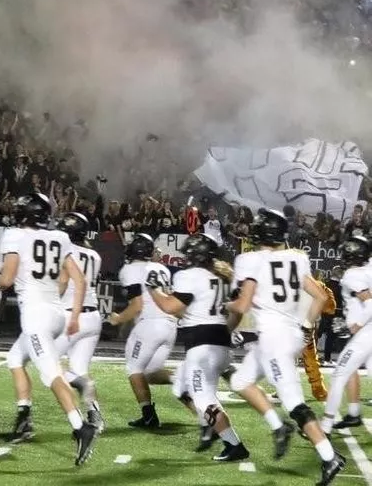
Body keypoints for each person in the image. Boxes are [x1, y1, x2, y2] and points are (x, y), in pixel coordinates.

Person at [226, 208, 345, 486]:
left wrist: (225, 305)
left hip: (274, 339)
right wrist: (305, 326)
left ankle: (329, 457)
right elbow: (318, 297)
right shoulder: (297, 257)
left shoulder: (250, 260)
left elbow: (242, 305)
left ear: (261, 231)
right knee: (241, 381)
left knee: (293, 401)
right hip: (289, 333)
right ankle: (279, 428)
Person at [0, 193, 98, 466]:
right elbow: (79, 279)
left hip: (35, 315)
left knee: (50, 374)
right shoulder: (61, 238)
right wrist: (75, 314)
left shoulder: (14, 236)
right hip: (56, 312)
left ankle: (81, 427)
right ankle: (23, 418)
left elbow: (7, 278)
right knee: (15, 358)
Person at [146, 233, 249, 462]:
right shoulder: (223, 275)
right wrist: (225, 331)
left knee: (203, 399)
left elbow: (170, 306)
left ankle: (233, 444)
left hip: (201, 347)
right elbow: (238, 311)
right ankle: (208, 428)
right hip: (219, 343)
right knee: (180, 387)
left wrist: (153, 289)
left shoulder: (189, 275)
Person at [109, 233, 176, 429]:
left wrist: (118, 318)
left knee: (134, 370)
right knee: (150, 372)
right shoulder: (161, 267)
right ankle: (184, 382)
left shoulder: (129, 270)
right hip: (170, 325)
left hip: (150, 325)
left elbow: (137, 306)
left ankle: (148, 416)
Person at [53, 212, 105, 433]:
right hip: (93, 316)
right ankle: (95, 413)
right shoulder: (94, 255)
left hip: (70, 315)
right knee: (79, 369)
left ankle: (83, 386)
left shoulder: (66, 251)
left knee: (46, 363)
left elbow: (63, 283)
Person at [320, 235, 372, 434]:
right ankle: (353, 413)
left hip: (366, 332)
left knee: (338, 374)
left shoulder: (353, 275)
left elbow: (369, 304)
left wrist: (355, 326)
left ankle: (325, 426)